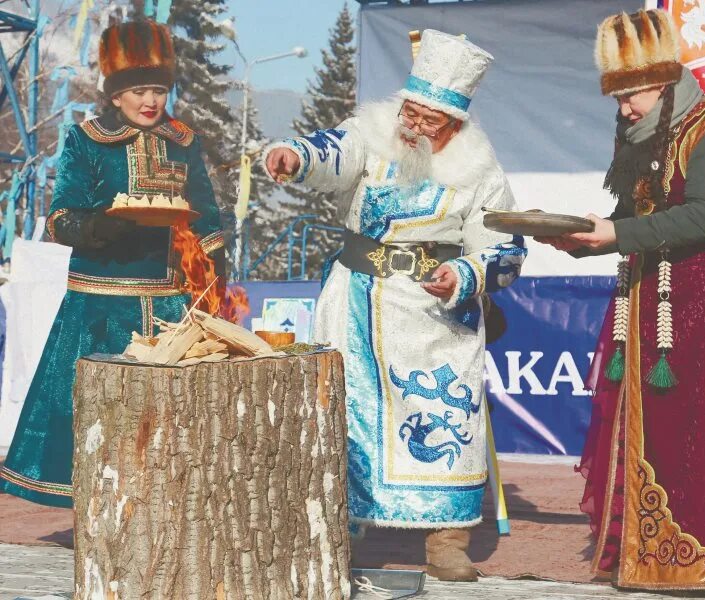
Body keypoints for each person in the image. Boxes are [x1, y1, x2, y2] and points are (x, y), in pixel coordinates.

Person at [539, 9, 705, 589]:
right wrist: (583, 239)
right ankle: (657, 556)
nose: (625, 107)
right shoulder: (646, 136)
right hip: (657, 305)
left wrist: (615, 234)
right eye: (618, 96)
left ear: (665, 80)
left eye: (633, 93)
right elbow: (637, 220)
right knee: (665, 429)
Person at [263, 30, 526, 581]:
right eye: (410, 111)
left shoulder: (480, 171)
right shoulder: (372, 135)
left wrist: (464, 272)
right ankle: (337, 529)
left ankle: (446, 539)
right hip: (356, 303)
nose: (415, 126)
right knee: (344, 418)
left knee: (445, 418)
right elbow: (331, 151)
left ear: (454, 123)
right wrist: (294, 156)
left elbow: (505, 246)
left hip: (435, 316)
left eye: (430, 119)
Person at [0, 20, 224, 508]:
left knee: (167, 424)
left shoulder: (184, 141)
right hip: (98, 309)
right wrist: (103, 226)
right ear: (116, 94)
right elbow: (62, 217)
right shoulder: (85, 140)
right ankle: (99, 513)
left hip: (170, 310)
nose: (150, 101)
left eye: (160, 90)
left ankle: (160, 510)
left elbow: (205, 213)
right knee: (93, 417)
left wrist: (215, 261)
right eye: (139, 90)